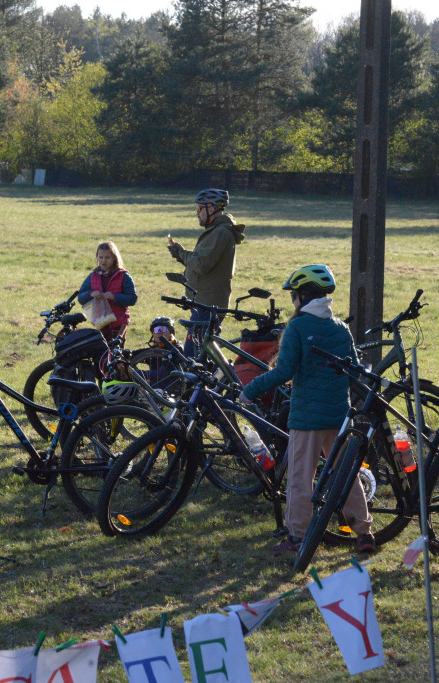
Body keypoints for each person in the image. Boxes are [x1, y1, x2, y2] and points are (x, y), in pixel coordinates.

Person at [239, 265, 375, 556]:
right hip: (339, 414)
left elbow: (285, 369)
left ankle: (298, 537)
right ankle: (364, 531)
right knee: (344, 474)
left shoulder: (298, 327)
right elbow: (353, 373)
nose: (293, 302)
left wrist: (250, 390)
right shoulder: (341, 328)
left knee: (300, 478)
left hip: (306, 417)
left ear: (303, 296)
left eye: (294, 297)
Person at [167, 189, 245, 356]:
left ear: (212, 207)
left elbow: (201, 264)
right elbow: (201, 262)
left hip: (207, 307)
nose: (197, 213)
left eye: (200, 208)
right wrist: (181, 255)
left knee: (193, 359)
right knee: (202, 359)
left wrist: (181, 253)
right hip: (203, 304)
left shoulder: (221, 233)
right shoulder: (216, 231)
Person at [77, 241, 138, 341]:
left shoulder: (123, 276)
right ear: (97, 257)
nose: (103, 261)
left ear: (114, 258)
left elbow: (132, 299)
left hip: (118, 324)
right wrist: (91, 294)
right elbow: (81, 298)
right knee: (102, 354)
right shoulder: (93, 276)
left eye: (107, 258)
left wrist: (114, 297)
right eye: (101, 257)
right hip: (100, 323)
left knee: (116, 354)